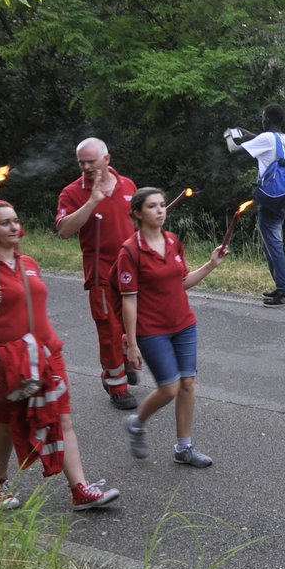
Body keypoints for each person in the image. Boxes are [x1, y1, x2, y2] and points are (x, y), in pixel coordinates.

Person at [0, 200, 119, 511]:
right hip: (4, 360)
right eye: (4, 223)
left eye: (15, 220)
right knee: (6, 424)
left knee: (62, 418)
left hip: (46, 353)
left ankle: (79, 490)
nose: (14, 226)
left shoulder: (28, 262)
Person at [116, 188, 228, 468]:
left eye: (163, 205)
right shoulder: (130, 251)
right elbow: (128, 300)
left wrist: (210, 266)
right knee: (169, 388)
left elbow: (181, 282)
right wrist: (131, 343)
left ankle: (184, 448)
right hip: (151, 329)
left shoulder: (173, 241)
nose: (160, 210)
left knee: (187, 384)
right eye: (152, 206)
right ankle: (137, 423)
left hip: (183, 324)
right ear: (138, 213)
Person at [54, 137, 139, 409]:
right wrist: (91, 202)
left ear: (107, 158)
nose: (86, 167)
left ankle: (126, 356)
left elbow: (139, 226)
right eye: (81, 162)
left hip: (132, 271)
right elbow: (64, 230)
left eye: (91, 161)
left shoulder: (128, 185)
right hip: (101, 274)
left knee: (135, 324)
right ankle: (116, 386)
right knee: (109, 329)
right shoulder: (71, 192)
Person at [225, 105, 285, 306]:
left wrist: (228, 136)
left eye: (262, 116)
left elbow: (233, 150)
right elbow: (268, 141)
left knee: (274, 245)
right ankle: (281, 286)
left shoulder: (266, 139)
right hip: (283, 197)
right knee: (270, 246)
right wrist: (248, 134)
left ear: (266, 119)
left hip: (269, 199)